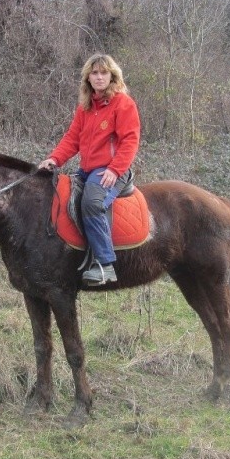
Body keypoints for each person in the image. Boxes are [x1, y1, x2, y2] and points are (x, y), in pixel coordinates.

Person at [38, 53, 141, 285]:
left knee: (92, 202)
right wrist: (54, 159)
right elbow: (72, 138)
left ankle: (105, 265)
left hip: (114, 171)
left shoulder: (123, 104)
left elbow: (130, 141)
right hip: (87, 169)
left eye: (104, 72)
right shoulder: (85, 108)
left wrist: (115, 170)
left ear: (112, 76)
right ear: (88, 78)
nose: (99, 77)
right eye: (94, 73)